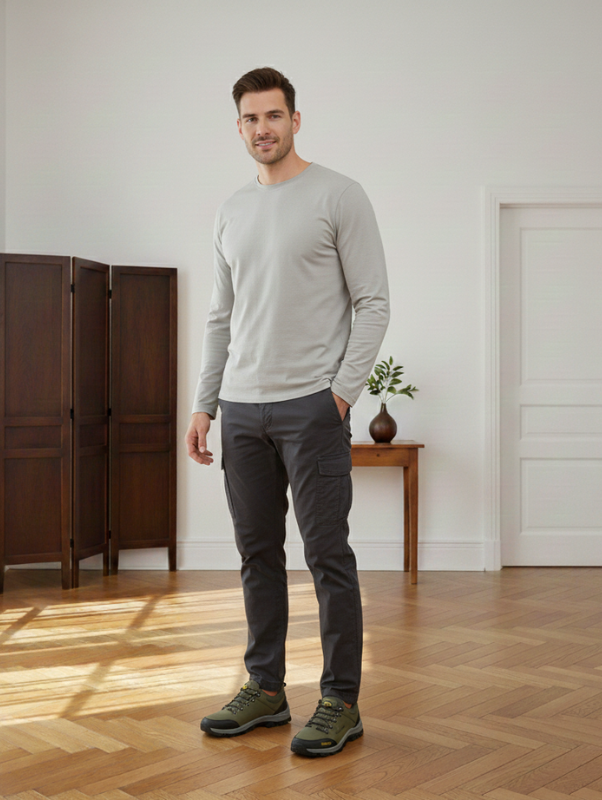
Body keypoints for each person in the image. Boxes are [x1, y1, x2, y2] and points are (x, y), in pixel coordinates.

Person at [185, 66, 390, 758]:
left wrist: (339, 395)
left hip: (311, 407)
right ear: (237, 126)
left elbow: (374, 303)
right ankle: (266, 689)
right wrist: (204, 404)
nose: (262, 129)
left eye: (273, 116)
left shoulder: (339, 195)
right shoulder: (231, 210)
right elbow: (220, 316)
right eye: (250, 119)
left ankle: (341, 701)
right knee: (256, 554)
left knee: (328, 554)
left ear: (295, 120)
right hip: (241, 409)